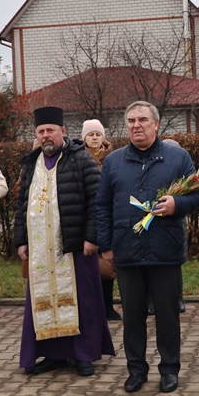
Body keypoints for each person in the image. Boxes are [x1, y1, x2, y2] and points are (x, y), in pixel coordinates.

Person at [96, 101, 199, 393]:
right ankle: (136, 369)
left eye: (143, 119)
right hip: (127, 248)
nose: (136, 125)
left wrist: (176, 204)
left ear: (156, 124)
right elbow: (102, 206)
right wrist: (106, 246)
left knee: (167, 315)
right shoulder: (114, 161)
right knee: (132, 316)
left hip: (164, 249)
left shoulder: (177, 157)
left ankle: (169, 369)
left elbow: (197, 196)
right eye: (131, 120)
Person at [16, 107, 114, 377]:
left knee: (82, 300)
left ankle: (83, 354)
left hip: (73, 245)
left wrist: (92, 237)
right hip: (39, 249)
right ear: (36, 135)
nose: (46, 136)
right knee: (44, 300)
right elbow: (21, 204)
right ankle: (53, 354)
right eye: (41, 131)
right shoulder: (30, 163)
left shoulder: (81, 159)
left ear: (62, 132)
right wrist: (20, 241)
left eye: (51, 130)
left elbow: (97, 201)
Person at [81, 119, 121, 321]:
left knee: (107, 262)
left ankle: (108, 306)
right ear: (84, 138)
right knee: (89, 265)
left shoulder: (112, 158)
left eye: (98, 134)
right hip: (87, 217)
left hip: (109, 215)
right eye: (90, 134)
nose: (95, 137)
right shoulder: (79, 158)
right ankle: (92, 307)